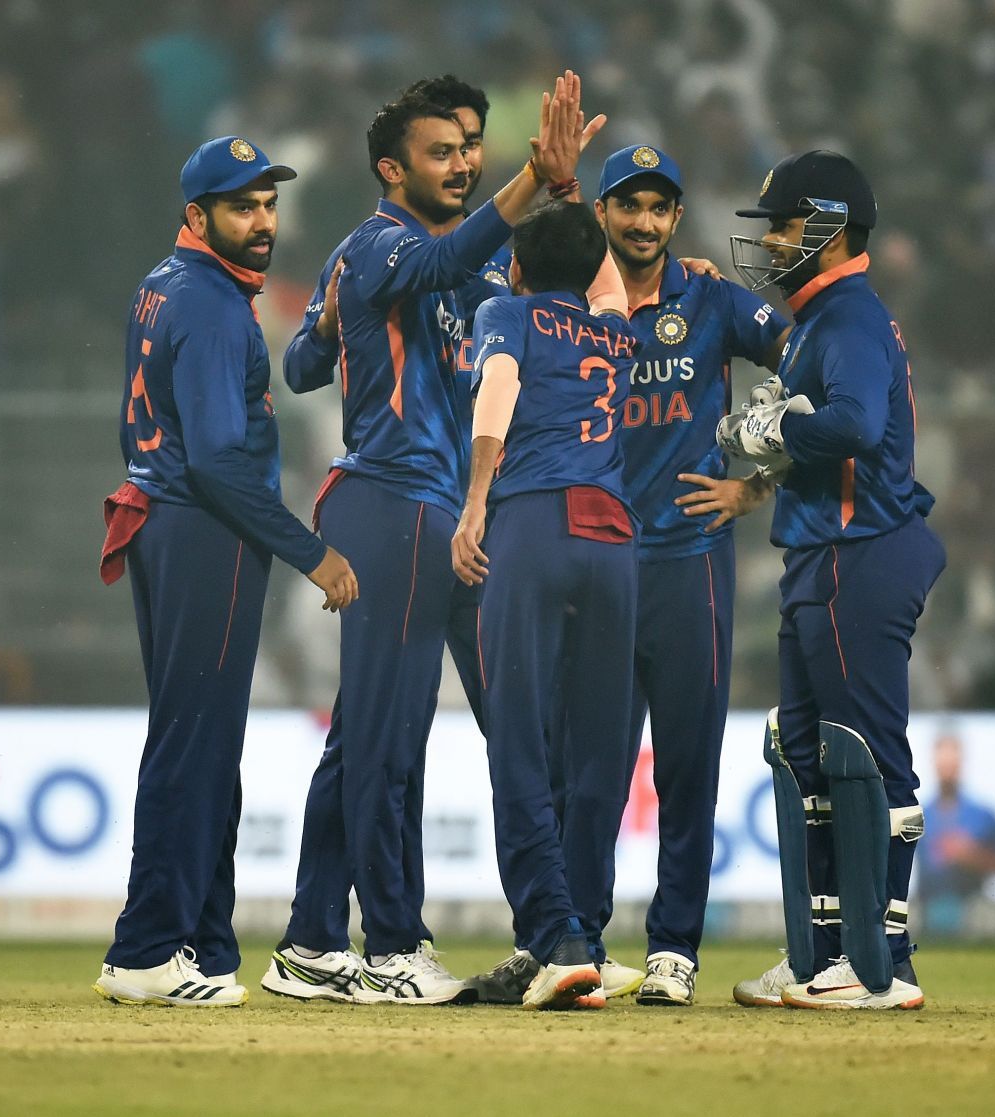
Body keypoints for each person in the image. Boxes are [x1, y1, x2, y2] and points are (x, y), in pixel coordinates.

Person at [266, 73, 601, 1006]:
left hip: (457, 518)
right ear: (391, 169)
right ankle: (393, 944)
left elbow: (304, 358)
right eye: (441, 151)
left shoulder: (463, 261)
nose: (460, 163)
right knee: (388, 735)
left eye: (467, 148)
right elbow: (308, 360)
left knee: (451, 729)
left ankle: (313, 941)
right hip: (395, 502)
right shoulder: (378, 245)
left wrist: (559, 195)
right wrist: (531, 185)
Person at [92, 134, 358, 1009]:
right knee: (195, 742)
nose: (263, 221)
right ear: (197, 215)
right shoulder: (209, 303)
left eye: (270, 203)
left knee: (199, 738)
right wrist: (309, 549)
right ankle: (146, 948)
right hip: (203, 529)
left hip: (163, 521)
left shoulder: (165, 284)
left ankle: (202, 942)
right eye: (243, 206)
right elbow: (215, 461)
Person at [714, 150, 947, 1011]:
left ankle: (882, 963)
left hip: (863, 552)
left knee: (868, 759)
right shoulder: (818, 320)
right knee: (807, 758)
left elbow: (854, 423)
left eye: (781, 225)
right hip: (822, 551)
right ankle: (819, 955)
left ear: (826, 229)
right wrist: (774, 431)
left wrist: (779, 429)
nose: (770, 242)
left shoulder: (846, 316)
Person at [588, 143, 788, 1006]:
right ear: (603, 213)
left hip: (689, 564)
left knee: (686, 769)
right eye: (627, 205)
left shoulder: (710, 299)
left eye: (657, 208)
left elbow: (818, 363)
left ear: (675, 218)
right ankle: (581, 940)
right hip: (593, 562)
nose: (642, 222)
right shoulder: (564, 302)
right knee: (589, 770)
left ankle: (673, 950)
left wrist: (759, 483)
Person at [451, 200, 639, 1010]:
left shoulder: (507, 311)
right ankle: (587, 937)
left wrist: (475, 500)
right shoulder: (616, 333)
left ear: (519, 267)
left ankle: (554, 938)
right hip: (613, 536)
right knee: (599, 746)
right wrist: (578, 211)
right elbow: (612, 290)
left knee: (519, 735)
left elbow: (496, 390)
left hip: (531, 520)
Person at [917, 729, 995, 935]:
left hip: (972, 915)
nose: (947, 770)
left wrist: (972, 855)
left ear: (960, 765)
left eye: (952, 765)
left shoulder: (983, 815)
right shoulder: (920, 813)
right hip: (928, 915)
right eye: (943, 764)